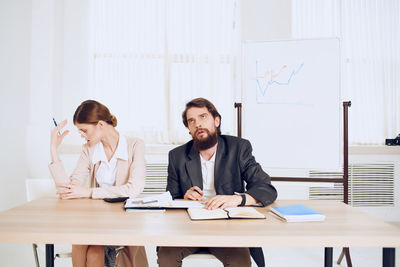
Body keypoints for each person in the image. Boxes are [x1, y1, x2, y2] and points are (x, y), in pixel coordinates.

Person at [157, 98, 277, 267]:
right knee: (166, 257)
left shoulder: (238, 148)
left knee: (240, 260)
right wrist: (184, 197)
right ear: (189, 129)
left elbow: (265, 188)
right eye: (192, 121)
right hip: (188, 227)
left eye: (203, 117)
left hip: (227, 227)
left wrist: (238, 199)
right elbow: (170, 199)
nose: (198, 124)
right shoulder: (177, 156)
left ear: (217, 120)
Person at [49, 100, 148, 267]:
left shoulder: (135, 145)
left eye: (84, 130)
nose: (83, 135)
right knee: (84, 245)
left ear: (100, 124)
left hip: (123, 219)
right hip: (95, 219)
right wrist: (53, 149)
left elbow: (133, 189)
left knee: (93, 250)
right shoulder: (89, 148)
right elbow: (68, 190)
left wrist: (89, 193)